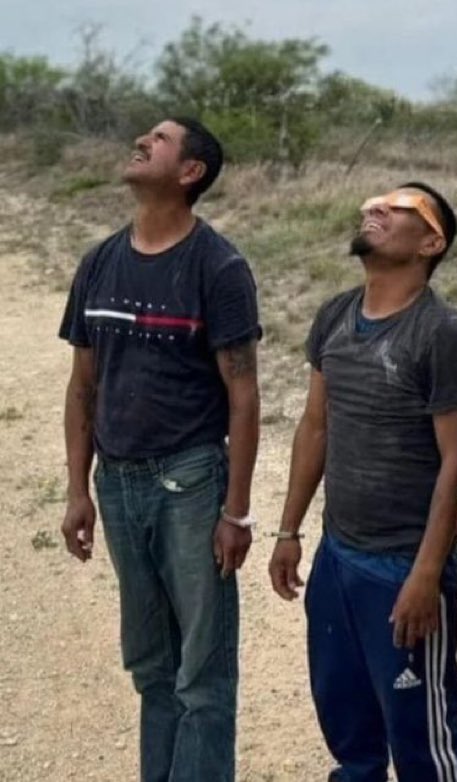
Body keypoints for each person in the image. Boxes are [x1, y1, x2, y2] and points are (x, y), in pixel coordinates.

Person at [59, 117, 262, 782]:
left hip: (191, 480)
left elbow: (244, 394)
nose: (142, 141)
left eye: (160, 139)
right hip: (117, 484)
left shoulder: (219, 266)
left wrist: (235, 512)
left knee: (201, 671)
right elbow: (83, 384)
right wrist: (77, 488)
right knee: (152, 666)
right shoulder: (99, 262)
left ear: (189, 172)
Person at [269, 182, 457, 782]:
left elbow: (456, 460)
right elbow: (315, 426)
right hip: (339, 557)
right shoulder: (335, 314)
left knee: (423, 740)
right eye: (372, 202)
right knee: (348, 726)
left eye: (398, 208)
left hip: (403, 565)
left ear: (430, 242)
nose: (373, 208)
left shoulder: (442, 332)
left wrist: (424, 575)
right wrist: (290, 530)